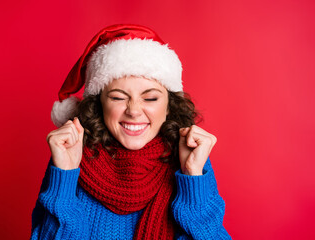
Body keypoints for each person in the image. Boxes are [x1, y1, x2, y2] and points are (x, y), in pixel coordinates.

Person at [30, 24, 231, 240]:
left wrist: (193, 178)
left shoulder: (191, 161)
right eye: (118, 97)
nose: (133, 111)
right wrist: (65, 177)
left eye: (151, 98)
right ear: (99, 104)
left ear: (169, 105)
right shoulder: (71, 157)